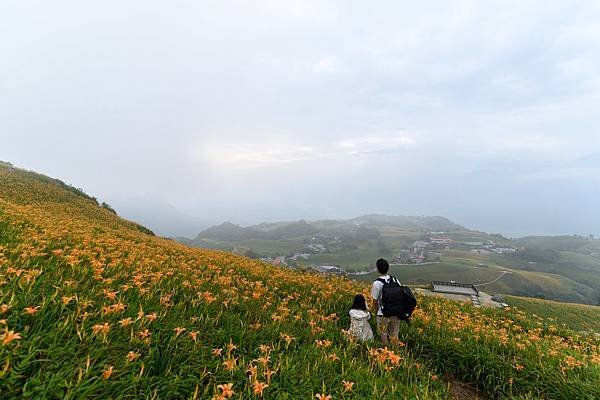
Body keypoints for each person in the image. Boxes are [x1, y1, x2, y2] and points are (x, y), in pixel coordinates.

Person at [371, 258, 400, 345]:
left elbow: (375, 301)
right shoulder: (395, 280)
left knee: (382, 336)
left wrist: (376, 312)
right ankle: (395, 354)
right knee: (394, 335)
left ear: (377, 269)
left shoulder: (377, 283)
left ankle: (385, 354)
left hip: (383, 314)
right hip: (396, 312)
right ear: (388, 268)